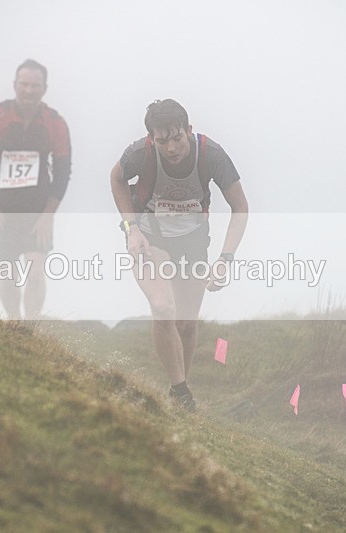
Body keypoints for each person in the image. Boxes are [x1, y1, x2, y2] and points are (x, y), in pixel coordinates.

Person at [110, 99, 249, 412]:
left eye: (177, 139)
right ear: (151, 139)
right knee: (162, 307)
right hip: (150, 234)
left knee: (186, 324)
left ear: (189, 130)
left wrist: (225, 259)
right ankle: (181, 390)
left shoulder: (212, 155)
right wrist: (131, 228)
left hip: (192, 240)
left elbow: (240, 207)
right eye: (162, 141)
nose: (171, 148)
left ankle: (178, 393)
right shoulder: (138, 153)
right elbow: (116, 178)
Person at [0, 59, 72, 319]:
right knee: (8, 272)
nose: (28, 91)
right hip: (1, 208)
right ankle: (13, 321)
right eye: (24, 85)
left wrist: (48, 215)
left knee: (36, 268)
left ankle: (31, 325)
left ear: (44, 88)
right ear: (14, 85)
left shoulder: (54, 122)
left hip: (37, 210)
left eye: (35, 86)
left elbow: (62, 172)